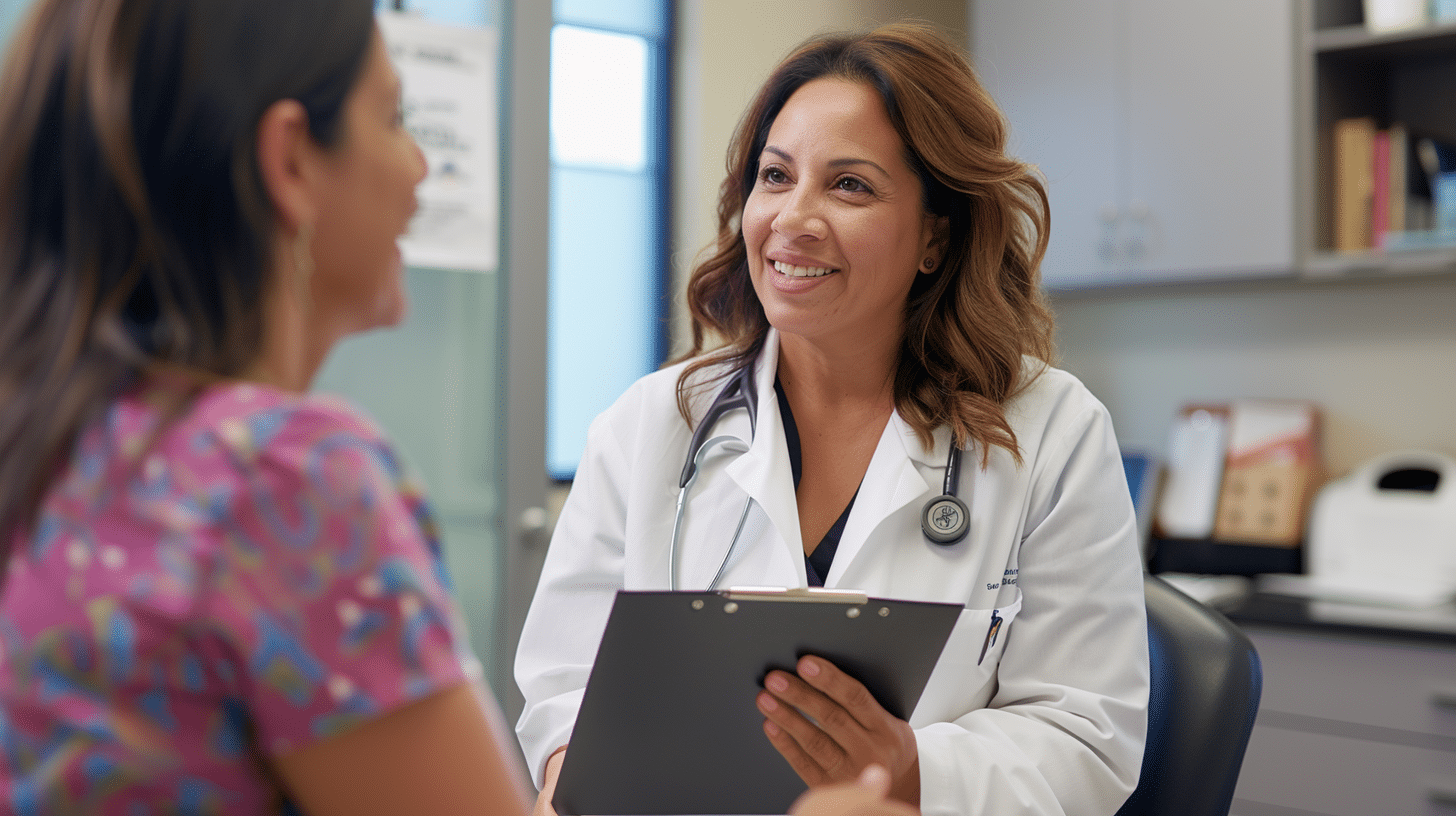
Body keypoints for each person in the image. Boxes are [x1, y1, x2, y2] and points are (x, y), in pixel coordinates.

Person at [0, 3, 925, 815]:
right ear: (290, 160)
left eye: (849, 185)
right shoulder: (281, 481)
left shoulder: (57, 443)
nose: (419, 165)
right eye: (393, 119)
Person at [515, 20, 1150, 816]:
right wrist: (574, 774)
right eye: (775, 176)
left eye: (849, 185)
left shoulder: (1050, 431)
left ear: (933, 237)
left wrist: (910, 767)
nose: (793, 218)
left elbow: (1087, 739)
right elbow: (566, 682)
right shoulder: (653, 424)